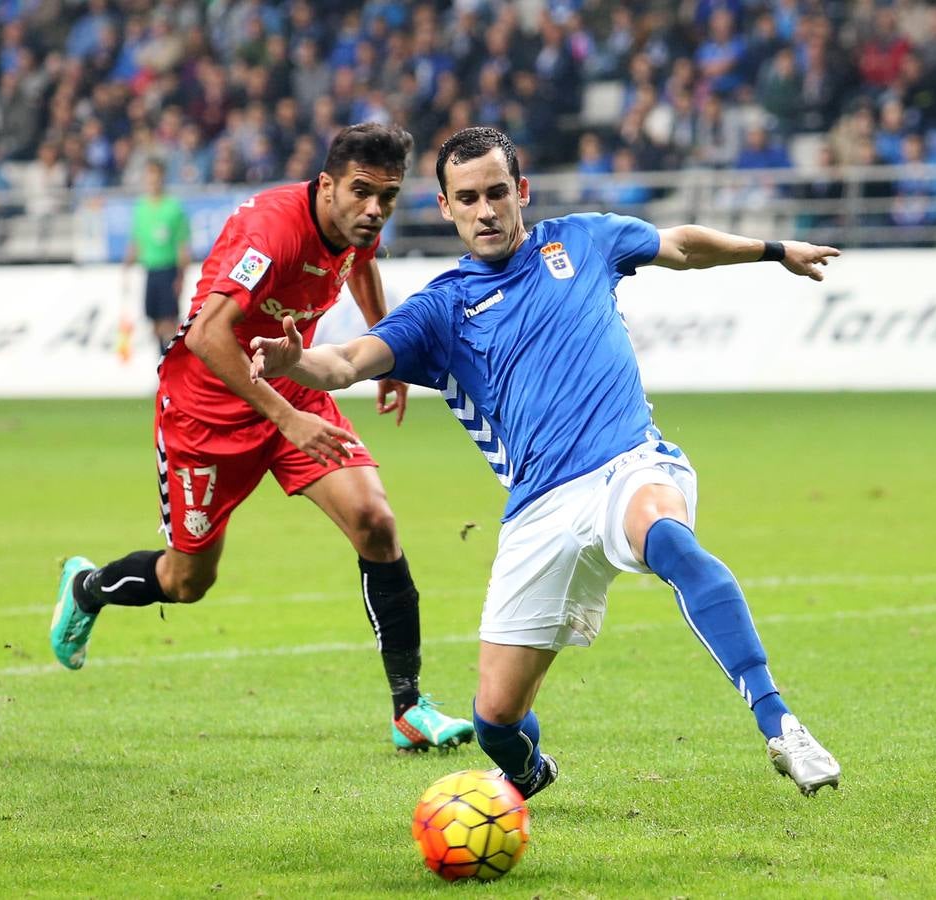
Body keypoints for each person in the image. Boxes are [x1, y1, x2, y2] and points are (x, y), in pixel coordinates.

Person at [250, 126, 842, 797]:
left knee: (668, 536)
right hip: (539, 511)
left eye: (497, 192)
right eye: (467, 198)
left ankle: (781, 725)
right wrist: (295, 360)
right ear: (445, 208)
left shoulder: (583, 239)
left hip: (627, 465)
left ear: (521, 191)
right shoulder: (442, 310)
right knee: (495, 720)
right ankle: (531, 773)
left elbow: (680, 245)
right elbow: (350, 361)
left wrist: (773, 251)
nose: (486, 210)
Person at [51, 123, 475, 754]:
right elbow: (206, 335)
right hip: (207, 411)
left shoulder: (359, 217)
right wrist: (287, 419)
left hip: (287, 382)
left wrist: (387, 347)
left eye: (387, 197)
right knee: (189, 580)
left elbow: (359, 262)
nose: (374, 210)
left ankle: (409, 708)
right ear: (325, 184)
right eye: (362, 193)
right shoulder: (271, 233)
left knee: (375, 523)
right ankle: (89, 588)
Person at [124, 159, 192, 356]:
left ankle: (172, 366)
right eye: (149, 175)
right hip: (150, 270)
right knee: (153, 322)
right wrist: (126, 268)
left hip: (168, 269)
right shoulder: (141, 207)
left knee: (169, 322)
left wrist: (181, 276)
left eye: (156, 175)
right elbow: (136, 241)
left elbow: (182, 245)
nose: (152, 180)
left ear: (162, 178)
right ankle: (162, 364)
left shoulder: (173, 207)